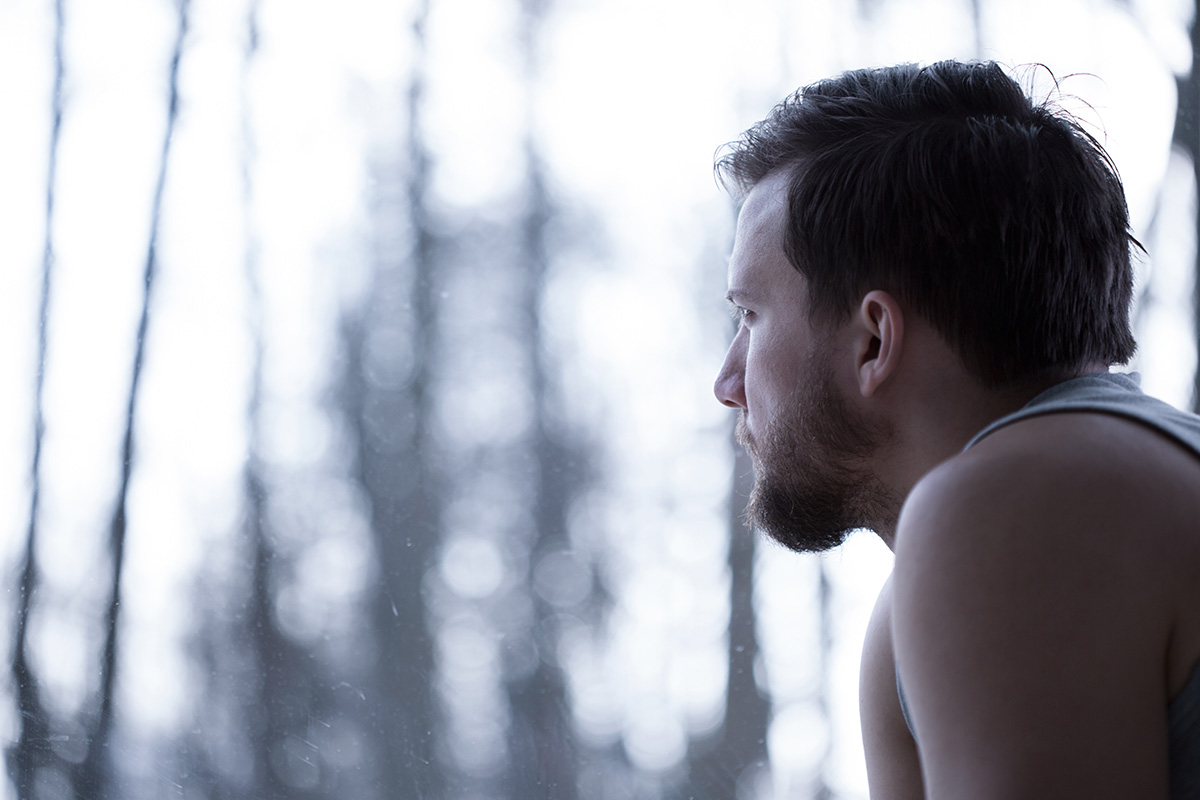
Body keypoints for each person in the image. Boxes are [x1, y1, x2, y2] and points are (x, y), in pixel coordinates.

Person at [712, 60, 1200, 799]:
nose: (726, 383)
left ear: (874, 340)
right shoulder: (919, 607)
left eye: (750, 315)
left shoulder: (1013, 510)